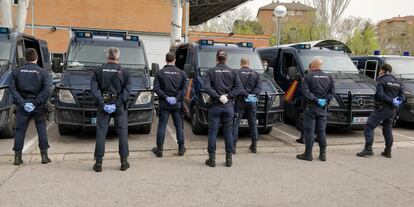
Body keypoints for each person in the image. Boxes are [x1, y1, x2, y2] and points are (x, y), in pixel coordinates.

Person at [91, 47, 132, 172]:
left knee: (101, 133)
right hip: (119, 107)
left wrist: (103, 104)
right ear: (118, 58)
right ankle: (124, 162)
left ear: (107, 57)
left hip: (104, 106)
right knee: (122, 133)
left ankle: (98, 163)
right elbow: (127, 91)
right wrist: (117, 104)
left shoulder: (97, 70)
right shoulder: (125, 72)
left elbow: (94, 89)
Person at [9, 48, 52, 165]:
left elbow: (12, 89)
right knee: (41, 128)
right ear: (36, 58)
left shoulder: (16, 72)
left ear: (25, 59)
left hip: (23, 106)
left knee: (20, 130)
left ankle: (17, 158)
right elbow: (46, 90)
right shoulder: (43, 72)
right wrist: (35, 102)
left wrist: (23, 103)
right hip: (38, 106)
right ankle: (44, 157)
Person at [357, 64, 404, 158]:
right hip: (392, 109)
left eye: (380, 70)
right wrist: (396, 102)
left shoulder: (381, 80)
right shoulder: (398, 82)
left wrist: (390, 101)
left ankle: (368, 149)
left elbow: (380, 95)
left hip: (382, 108)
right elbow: (402, 96)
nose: (379, 71)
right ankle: (388, 151)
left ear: (382, 70)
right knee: (388, 128)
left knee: (369, 126)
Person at [204, 50, 242, 167]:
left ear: (217, 59)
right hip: (228, 106)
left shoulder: (211, 71)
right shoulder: (233, 72)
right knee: (228, 133)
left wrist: (217, 96)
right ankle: (229, 159)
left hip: (215, 106)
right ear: (226, 59)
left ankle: (212, 159)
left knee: (213, 132)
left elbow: (206, 87)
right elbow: (238, 88)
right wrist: (228, 96)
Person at [296, 59, 335, 162]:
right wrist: (325, 100)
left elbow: (305, 92)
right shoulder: (329, 77)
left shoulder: (308, 77)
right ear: (321, 66)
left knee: (309, 130)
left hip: (311, 107)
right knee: (321, 131)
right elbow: (332, 92)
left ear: (312, 66)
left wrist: (316, 99)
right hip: (322, 108)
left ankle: (308, 154)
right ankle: (323, 154)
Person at [152, 52, 187, 157]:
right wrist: (176, 98)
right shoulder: (182, 73)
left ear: (166, 60)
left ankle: (159, 150)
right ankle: (181, 148)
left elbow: (156, 89)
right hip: (177, 104)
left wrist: (166, 97)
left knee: (162, 126)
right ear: (174, 60)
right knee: (178, 126)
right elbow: (184, 90)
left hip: (164, 104)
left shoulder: (160, 73)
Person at [233, 57, 261, 154]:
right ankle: (254, 145)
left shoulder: (236, 73)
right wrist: (251, 96)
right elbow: (259, 88)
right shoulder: (256, 74)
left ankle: (233, 147)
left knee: (236, 123)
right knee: (253, 123)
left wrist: (245, 95)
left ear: (241, 63)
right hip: (251, 101)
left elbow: (236, 87)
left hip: (240, 100)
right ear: (249, 63)